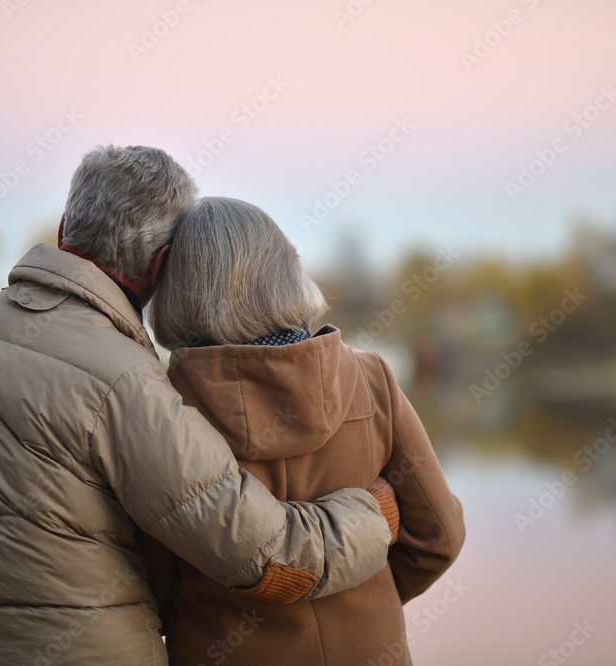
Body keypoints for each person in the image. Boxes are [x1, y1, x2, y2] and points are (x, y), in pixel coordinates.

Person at [0, 146, 400, 664]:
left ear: (65, 227)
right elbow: (266, 556)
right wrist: (374, 514)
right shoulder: (123, 376)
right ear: (164, 263)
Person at [143, 196, 466, 666]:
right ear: (284, 270)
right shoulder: (373, 379)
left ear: (177, 288)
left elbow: (152, 584)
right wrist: (360, 599)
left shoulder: (163, 409)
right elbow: (439, 537)